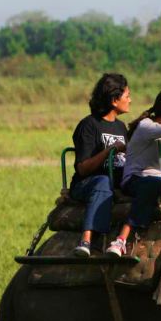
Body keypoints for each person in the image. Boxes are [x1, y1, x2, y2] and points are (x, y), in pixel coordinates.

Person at [105, 88, 161, 256]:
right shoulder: (147, 126)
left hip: (156, 179)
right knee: (153, 184)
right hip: (135, 179)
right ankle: (122, 239)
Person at [69, 73, 131, 257]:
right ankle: (86, 240)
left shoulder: (121, 127)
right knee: (103, 182)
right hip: (88, 184)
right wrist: (109, 151)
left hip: (116, 182)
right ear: (114, 100)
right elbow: (82, 168)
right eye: (127, 96)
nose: (130, 100)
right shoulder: (89, 125)